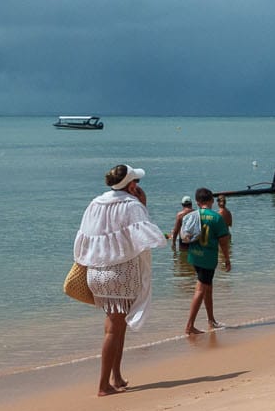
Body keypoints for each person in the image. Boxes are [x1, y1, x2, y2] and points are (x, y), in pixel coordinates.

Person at [74, 163, 166, 397]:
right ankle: (103, 385)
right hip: (120, 273)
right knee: (114, 329)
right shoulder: (131, 205)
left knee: (115, 324)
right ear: (132, 185)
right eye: (137, 183)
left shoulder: (95, 203)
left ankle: (116, 376)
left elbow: (84, 237)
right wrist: (143, 205)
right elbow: (145, 235)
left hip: (97, 271)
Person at [179, 187, 233, 334]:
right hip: (208, 259)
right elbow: (223, 241)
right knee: (201, 289)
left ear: (197, 202)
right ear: (212, 201)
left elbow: (184, 237)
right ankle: (189, 326)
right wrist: (227, 259)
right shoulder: (216, 218)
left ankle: (211, 320)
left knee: (208, 288)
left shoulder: (191, 215)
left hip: (194, 257)